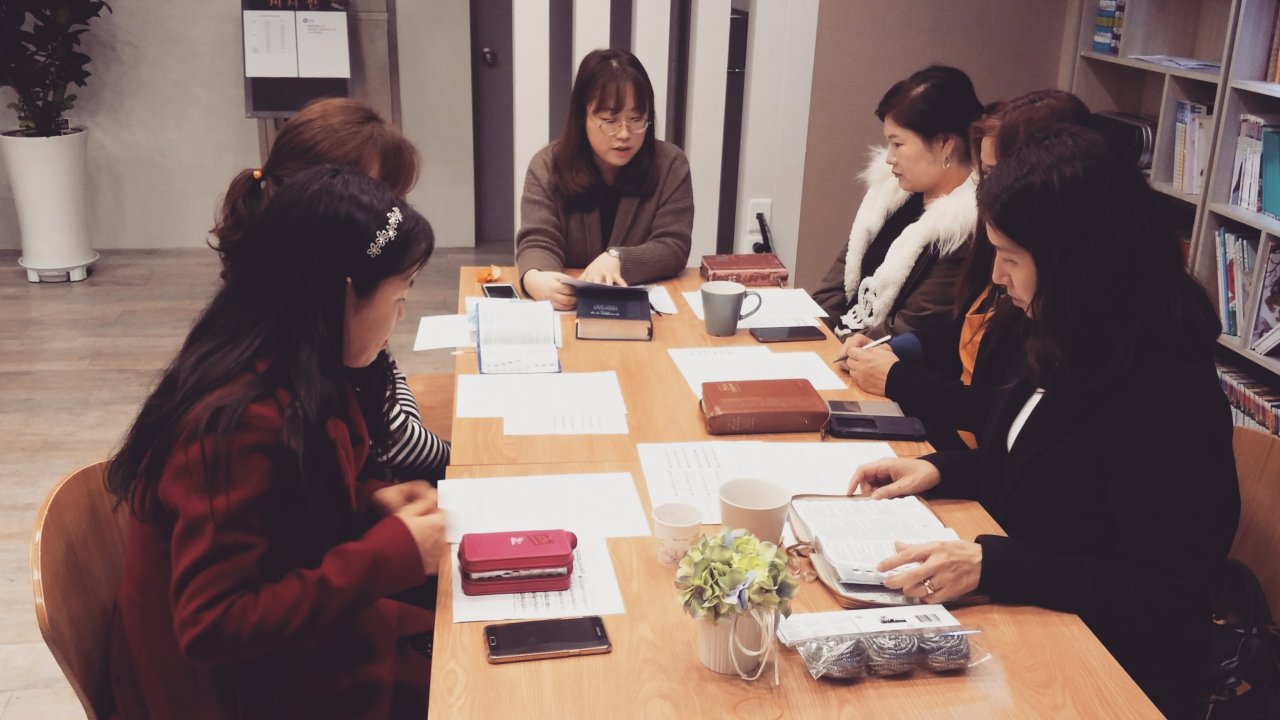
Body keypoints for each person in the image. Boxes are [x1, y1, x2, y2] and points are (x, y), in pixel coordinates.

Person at [850, 125, 1240, 719]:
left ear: (1075, 261)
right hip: (1032, 619)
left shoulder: (1169, 387)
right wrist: (940, 469)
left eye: (1010, 258)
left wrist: (993, 564)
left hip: (1106, 669)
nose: (997, 277)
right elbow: (1047, 463)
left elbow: (1162, 591)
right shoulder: (1071, 327)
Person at [106, 168, 447, 719]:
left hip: (286, 654)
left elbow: (284, 507)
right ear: (343, 295)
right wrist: (391, 554)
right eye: (400, 294)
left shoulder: (297, 367)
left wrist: (370, 503)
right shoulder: (234, 422)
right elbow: (213, 625)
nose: (400, 315)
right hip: (233, 693)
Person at [212, 97, 449, 482]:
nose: (389, 217)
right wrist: (464, 462)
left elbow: (382, 390)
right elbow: (386, 437)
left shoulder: (331, 313)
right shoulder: (259, 399)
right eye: (371, 196)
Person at [837, 91, 1092, 448]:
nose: (982, 189)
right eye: (983, 173)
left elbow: (1014, 410)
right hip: (963, 447)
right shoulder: (1003, 243)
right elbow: (965, 329)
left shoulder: (1057, 284)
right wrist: (895, 348)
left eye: (993, 173)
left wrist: (898, 379)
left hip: (972, 444)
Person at [811, 65, 983, 339]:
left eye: (898, 144)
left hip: (869, 356)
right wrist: (808, 333)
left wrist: (832, 349)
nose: (889, 158)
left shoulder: (960, 231)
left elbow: (904, 331)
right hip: (833, 344)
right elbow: (835, 287)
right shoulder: (890, 196)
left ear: (945, 143)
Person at [517, 48, 693, 310]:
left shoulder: (670, 164)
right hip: (570, 310)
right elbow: (538, 240)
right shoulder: (547, 166)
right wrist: (535, 278)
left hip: (641, 310)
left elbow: (673, 247)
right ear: (582, 116)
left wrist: (618, 258)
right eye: (609, 120)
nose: (624, 134)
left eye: (636, 119)